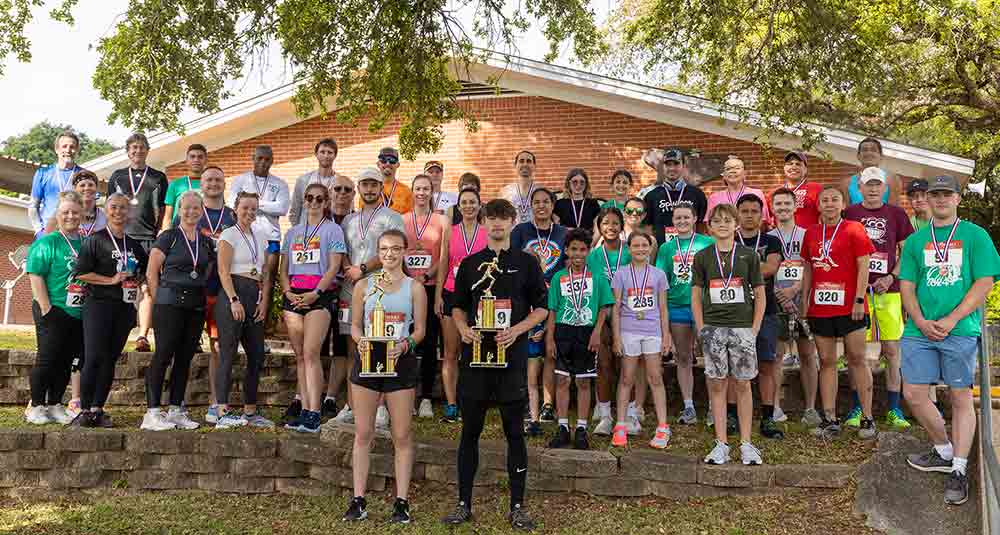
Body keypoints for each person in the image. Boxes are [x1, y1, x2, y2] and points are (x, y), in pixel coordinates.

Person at [442, 199, 548, 531]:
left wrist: (517, 330)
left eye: (504, 218)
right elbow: (457, 306)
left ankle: (517, 506)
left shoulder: (527, 263)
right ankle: (463, 504)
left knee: (514, 433)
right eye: (492, 218)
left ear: (514, 222)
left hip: (511, 360)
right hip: (475, 361)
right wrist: (462, 328)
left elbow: (542, 308)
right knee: (469, 433)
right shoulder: (470, 264)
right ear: (484, 222)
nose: (498, 224)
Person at [899, 175, 1000, 506]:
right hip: (920, 330)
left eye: (947, 194)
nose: (940, 200)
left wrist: (952, 319)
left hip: (959, 329)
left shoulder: (975, 235)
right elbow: (907, 286)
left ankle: (958, 470)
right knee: (913, 394)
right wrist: (919, 320)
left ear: (957, 199)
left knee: (960, 396)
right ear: (927, 199)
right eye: (935, 195)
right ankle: (944, 450)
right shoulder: (916, 241)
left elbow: (984, 281)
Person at [343, 230, 427, 523]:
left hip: (400, 363)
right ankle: (358, 500)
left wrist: (405, 345)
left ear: (404, 251)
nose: (389, 254)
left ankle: (401, 501)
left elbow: (420, 331)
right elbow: (354, 326)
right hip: (367, 361)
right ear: (378, 253)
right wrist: (360, 340)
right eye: (384, 249)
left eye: (395, 249)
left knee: (401, 435)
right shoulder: (363, 286)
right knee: (363, 433)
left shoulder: (414, 287)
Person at [800, 186, 877, 440]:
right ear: (818, 206)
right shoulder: (811, 233)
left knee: (857, 358)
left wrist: (859, 299)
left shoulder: (854, 228)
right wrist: (805, 300)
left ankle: (867, 418)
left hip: (850, 307)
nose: (830, 204)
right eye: (825, 200)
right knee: (827, 361)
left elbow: (863, 265)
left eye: (835, 200)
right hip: (820, 308)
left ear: (843, 204)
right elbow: (809, 269)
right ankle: (831, 418)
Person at [692, 203, 765, 465]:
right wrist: (701, 328)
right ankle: (721, 443)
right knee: (717, 383)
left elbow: (760, 294)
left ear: (736, 225)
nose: (723, 224)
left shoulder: (749, 256)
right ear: (709, 227)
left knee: (743, 384)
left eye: (727, 220)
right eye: (717, 220)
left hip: (742, 327)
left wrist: (754, 328)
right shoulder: (702, 257)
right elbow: (696, 295)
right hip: (713, 328)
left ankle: (746, 443)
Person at [844, 167, 915, 430]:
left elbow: (906, 252)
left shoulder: (896, 214)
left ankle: (894, 409)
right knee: (859, 354)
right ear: (859, 188)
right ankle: (858, 407)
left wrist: (890, 277)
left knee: (892, 351)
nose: (873, 189)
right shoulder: (849, 213)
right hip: (858, 295)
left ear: (884, 188)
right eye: (868, 185)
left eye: (877, 185)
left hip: (889, 292)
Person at [334, 167, 405, 426]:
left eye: (374, 184)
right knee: (355, 347)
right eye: (364, 184)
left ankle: (380, 407)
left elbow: (394, 250)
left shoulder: (393, 218)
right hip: (350, 289)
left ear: (380, 187)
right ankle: (352, 404)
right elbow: (340, 249)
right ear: (359, 189)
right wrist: (348, 268)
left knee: (381, 347)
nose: (369, 189)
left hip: (381, 289)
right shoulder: (348, 221)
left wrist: (362, 268)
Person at [72, 192, 149, 427]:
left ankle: (98, 409)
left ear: (129, 213)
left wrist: (139, 282)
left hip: (124, 308)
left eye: (123, 208)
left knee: (109, 359)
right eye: (113, 207)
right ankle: (84, 410)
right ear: (105, 210)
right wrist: (111, 280)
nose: (118, 212)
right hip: (98, 305)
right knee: (93, 356)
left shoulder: (135, 245)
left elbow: (144, 273)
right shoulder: (95, 240)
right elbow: (80, 273)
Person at [141, 190, 215, 431]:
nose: (191, 212)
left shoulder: (205, 241)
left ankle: (175, 410)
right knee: (163, 354)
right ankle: (152, 413)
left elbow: (209, 271)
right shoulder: (169, 236)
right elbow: (152, 271)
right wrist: (158, 296)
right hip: (169, 304)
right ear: (179, 210)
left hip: (195, 306)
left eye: (196, 207)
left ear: (202, 210)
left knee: (185, 358)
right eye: (186, 207)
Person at [280, 183, 346, 433]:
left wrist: (315, 293)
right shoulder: (294, 231)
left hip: (319, 296)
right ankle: (304, 409)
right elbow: (283, 268)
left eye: (320, 199)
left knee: (311, 353)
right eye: (310, 198)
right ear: (304, 201)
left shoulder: (333, 230)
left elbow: (334, 267)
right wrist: (286, 291)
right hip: (293, 296)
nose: (314, 202)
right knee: (299, 357)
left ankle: (314, 412)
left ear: (326, 202)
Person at [544, 228, 612, 450]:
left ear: (588, 251)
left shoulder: (598, 277)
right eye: (574, 249)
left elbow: (603, 307)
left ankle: (581, 428)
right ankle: (563, 427)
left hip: (587, 331)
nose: (578, 254)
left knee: (583, 381)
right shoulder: (558, 278)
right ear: (566, 251)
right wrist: (550, 338)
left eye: (583, 249)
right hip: (563, 331)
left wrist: (597, 332)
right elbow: (553, 310)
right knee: (562, 380)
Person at [214, 191, 274, 429]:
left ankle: (250, 411)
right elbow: (222, 270)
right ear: (235, 209)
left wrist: (263, 301)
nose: (249, 212)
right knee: (227, 353)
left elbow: (265, 273)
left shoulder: (260, 235)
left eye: (253, 209)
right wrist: (234, 299)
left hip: (254, 294)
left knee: (256, 355)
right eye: (245, 208)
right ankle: (221, 411)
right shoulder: (229, 234)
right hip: (234, 294)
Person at [25, 191, 85, 425]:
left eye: (75, 212)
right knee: (48, 358)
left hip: (76, 311)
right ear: (57, 215)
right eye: (65, 212)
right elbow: (36, 275)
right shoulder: (47, 242)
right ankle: (37, 405)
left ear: (82, 214)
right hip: (51, 308)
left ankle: (55, 404)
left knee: (66, 359)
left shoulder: (86, 244)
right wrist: (47, 308)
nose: (70, 216)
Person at [610, 231, 673, 449]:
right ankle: (620, 424)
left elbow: (663, 307)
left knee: (655, 377)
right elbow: (616, 307)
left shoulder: (658, 274)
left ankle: (663, 426)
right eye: (635, 245)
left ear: (650, 248)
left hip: (652, 331)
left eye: (644, 245)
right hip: (628, 330)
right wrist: (616, 337)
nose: (640, 249)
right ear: (629, 249)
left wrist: (667, 336)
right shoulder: (621, 274)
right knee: (627, 378)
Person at [511, 187, 568, 424]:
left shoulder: (563, 232)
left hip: (555, 297)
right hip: (528, 300)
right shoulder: (521, 231)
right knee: (530, 352)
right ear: (530, 206)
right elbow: (513, 261)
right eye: (536, 202)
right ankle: (526, 400)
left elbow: (567, 264)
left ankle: (547, 403)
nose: (541, 206)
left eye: (546, 201)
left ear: (553, 205)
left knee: (550, 351)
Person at [107, 133, 167, 353]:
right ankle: (117, 330)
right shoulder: (118, 176)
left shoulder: (158, 177)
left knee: (147, 287)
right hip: (123, 238)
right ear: (127, 151)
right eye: (133, 148)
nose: (137, 151)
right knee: (122, 283)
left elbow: (162, 209)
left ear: (147, 150)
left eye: (141, 148)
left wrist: (157, 231)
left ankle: (143, 335)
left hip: (148, 238)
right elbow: (110, 206)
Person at [655, 203, 714, 424]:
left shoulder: (707, 243)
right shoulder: (666, 248)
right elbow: (662, 281)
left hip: (703, 307)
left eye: (686, 218)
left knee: (709, 357)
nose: (681, 222)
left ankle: (712, 407)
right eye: (677, 218)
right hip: (677, 306)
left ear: (695, 218)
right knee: (683, 357)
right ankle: (688, 406)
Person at [187, 167, 237, 425]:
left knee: (218, 346)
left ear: (224, 183)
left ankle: (216, 403)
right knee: (184, 346)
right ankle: (178, 405)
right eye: (209, 180)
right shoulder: (191, 211)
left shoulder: (233, 215)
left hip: (221, 289)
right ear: (201, 184)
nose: (214, 184)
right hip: (194, 289)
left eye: (219, 179)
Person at [227, 145, 290, 347]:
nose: (263, 162)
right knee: (240, 277)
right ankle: (238, 329)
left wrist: (252, 204)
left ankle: (260, 333)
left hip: (270, 238)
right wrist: (263, 205)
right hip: (243, 235)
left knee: (267, 280)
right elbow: (232, 203)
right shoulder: (240, 180)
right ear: (252, 158)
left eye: (267, 159)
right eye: (259, 158)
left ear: (272, 161)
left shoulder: (279, 183)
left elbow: (282, 208)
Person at [768, 188, 821, 427]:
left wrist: (797, 289)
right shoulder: (768, 237)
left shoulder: (807, 234)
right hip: (777, 301)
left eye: (787, 204)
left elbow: (813, 266)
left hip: (804, 301)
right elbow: (766, 272)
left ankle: (810, 407)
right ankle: (776, 406)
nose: (782, 208)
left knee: (808, 354)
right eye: (778, 204)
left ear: (795, 206)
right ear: (772, 208)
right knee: (777, 356)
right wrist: (780, 293)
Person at [735, 194, 785, 439]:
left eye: (755, 211)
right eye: (744, 211)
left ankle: (767, 418)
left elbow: (771, 267)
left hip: (765, 311)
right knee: (735, 365)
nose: (749, 215)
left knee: (766, 364)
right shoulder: (728, 239)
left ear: (762, 214)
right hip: (733, 312)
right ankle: (733, 416)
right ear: (737, 214)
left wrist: (739, 273)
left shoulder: (771, 241)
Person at [436, 188, 486, 424]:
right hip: (451, 292)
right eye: (464, 202)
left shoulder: (486, 232)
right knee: (450, 352)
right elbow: (444, 262)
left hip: (478, 297)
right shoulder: (450, 231)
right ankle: (451, 403)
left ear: (479, 205)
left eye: (472, 202)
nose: (468, 206)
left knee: (473, 352)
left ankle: (471, 401)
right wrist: (438, 295)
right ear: (458, 207)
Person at [402, 175, 450, 419]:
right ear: (412, 191)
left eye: (426, 189)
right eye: (418, 188)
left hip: (431, 286)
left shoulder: (441, 220)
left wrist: (425, 276)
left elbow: (444, 256)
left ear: (432, 191)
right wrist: (411, 277)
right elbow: (399, 253)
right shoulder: (402, 220)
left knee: (430, 342)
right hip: (407, 287)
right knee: (408, 342)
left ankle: (427, 398)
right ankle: (407, 393)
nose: (422, 192)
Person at [587, 208, 632, 437]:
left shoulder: (630, 252)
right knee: (604, 363)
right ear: (599, 227)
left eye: (616, 223)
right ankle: (604, 414)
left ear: (622, 226)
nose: (611, 227)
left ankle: (629, 413)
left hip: (628, 315)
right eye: (606, 223)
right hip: (602, 314)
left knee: (626, 365)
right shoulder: (593, 256)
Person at [319, 173, 358, 418]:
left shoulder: (358, 220)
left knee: (344, 346)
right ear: (330, 193)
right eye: (338, 189)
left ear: (353, 194)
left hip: (350, 290)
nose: (342, 194)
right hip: (321, 291)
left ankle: (332, 398)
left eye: (347, 189)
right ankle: (309, 396)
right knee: (317, 347)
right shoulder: (318, 219)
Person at [642, 148, 708, 246]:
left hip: (690, 252)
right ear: (663, 167)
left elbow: (701, 227)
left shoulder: (697, 194)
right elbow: (647, 229)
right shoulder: (651, 196)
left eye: (676, 164)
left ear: (684, 166)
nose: (672, 168)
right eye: (668, 164)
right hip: (662, 253)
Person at [29, 131, 79, 239]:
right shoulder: (43, 173)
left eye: (72, 147)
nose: (68, 150)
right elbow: (33, 206)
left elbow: (90, 207)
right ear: (57, 150)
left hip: (73, 234)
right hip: (47, 233)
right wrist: (39, 230)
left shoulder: (83, 176)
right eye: (64, 146)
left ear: (77, 150)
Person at [289, 138, 340, 226]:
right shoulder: (303, 180)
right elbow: (295, 210)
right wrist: (297, 231)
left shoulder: (341, 182)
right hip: (306, 232)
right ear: (316, 154)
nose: (326, 156)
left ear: (335, 155)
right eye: (322, 152)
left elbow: (346, 211)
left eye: (330, 152)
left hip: (331, 233)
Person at [706, 157, 771, 223]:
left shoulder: (757, 193)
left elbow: (764, 221)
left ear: (744, 173)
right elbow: (708, 223)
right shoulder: (714, 197)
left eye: (737, 168)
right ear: (724, 175)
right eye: (728, 169)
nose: (732, 171)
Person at [161, 144, 208, 230]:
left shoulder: (212, 184)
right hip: (179, 233)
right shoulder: (176, 184)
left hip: (204, 233)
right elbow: (168, 217)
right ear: (187, 160)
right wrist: (165, 237)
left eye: (200, 157)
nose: (196, 160)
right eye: (192, 156)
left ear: (205, 160)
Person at [844, 137, 902, 206]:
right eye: (865, 150)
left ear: (881, 156)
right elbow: (847, 212)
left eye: (873, 150)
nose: (869, 153)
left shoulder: (892, 180)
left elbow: (894, 211)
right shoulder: (847, 183)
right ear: (858, 156)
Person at [770, 151, 822, 228]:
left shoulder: (816, 188)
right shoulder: (774, 192)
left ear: (805, 170)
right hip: (781, 238)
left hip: (807, 238)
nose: (793, 167)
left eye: (798, 164)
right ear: (784, 168)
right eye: (790, 164)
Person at [499, 150, 538, 225]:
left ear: (534, 166)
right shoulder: (504, 192)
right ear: (515, 165)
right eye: (521, 161)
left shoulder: (541, 191)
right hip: (512, 234)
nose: (525, 164)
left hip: (536, 235)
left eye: (529, 161)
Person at [377, 147, 413, 214]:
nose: (388, 163)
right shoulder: (369, 190)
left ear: (398, 164)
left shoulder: (406, 191)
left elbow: (410, 219)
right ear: (378, 164)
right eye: (383, 160)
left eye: (392, 160)